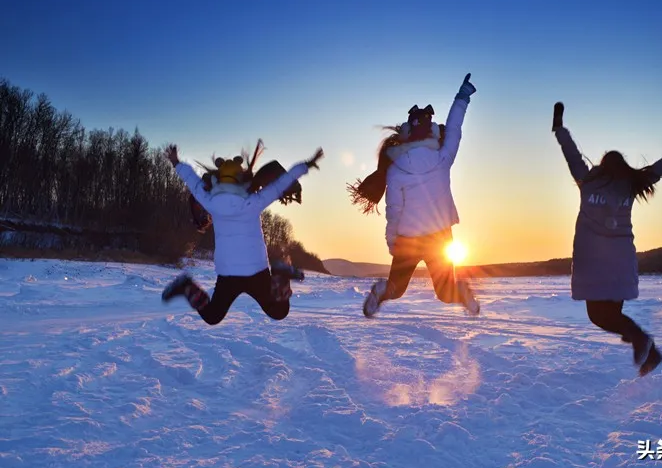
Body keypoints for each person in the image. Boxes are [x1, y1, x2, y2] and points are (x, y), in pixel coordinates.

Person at [552, 101, 662, 376]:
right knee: (613, 316)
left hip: (593, 262)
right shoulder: (631, 184)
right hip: (621, 262)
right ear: (622, 167)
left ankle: (643, 341)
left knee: (598, 316)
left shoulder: (588, 181)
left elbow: (572, 155)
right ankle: (649, 352)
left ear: (602, 166)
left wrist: (560, 129)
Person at [347, 73, 480, 318]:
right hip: (439, 235)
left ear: (405, 134)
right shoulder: (442, 158)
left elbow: (394, 210)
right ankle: (459, 291)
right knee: (444, 291)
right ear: (431, 132)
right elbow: (454, 130)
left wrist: (392, 242)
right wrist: (462, 98)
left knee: (396, 289)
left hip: (408, 237)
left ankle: (383, 291)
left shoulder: (396, 168)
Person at [161, 143, 324, 325]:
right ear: (241, 180)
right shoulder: (253, 202)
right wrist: (307, 165)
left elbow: (192, 181)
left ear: (219, 180)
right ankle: (280, 274)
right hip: (256, 271)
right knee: (279, 311)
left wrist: (176, 162)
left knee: (213, 316)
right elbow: (281, 184)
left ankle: (186, 287)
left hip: (228, 274)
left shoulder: (210, 201)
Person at [189, 139, 303, 233]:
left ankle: (200, 221)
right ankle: (200, 220)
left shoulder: (216, 191)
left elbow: (197, 192)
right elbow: (271, 175)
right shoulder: (248, 191)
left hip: (230, 243)